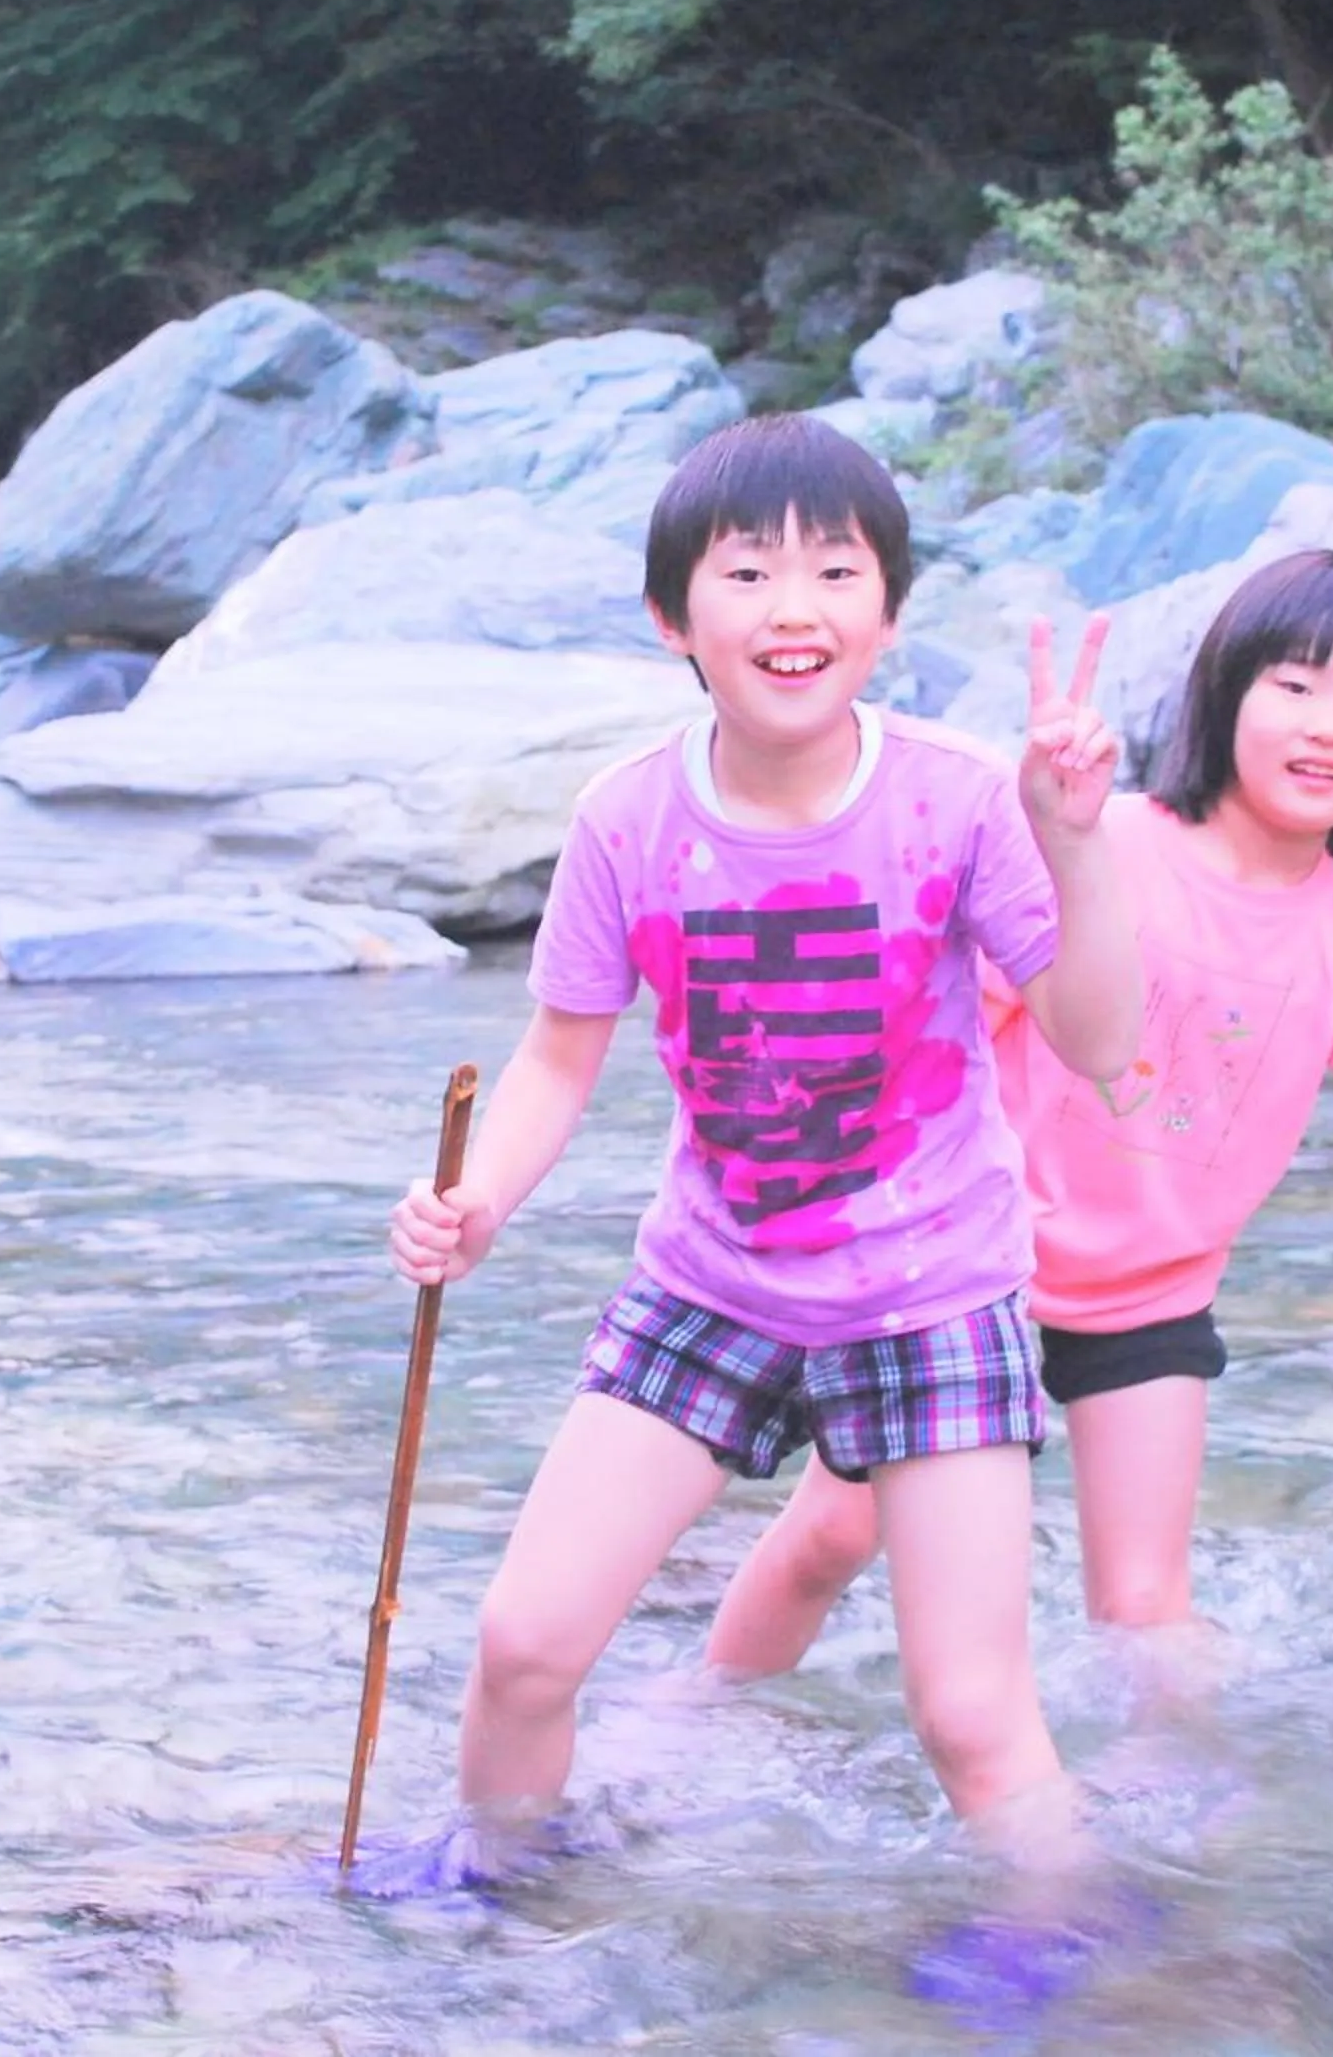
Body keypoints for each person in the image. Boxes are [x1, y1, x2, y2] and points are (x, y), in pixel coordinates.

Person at [382, 413, 1144, 1883]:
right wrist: (472, 1205)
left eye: (835, 572)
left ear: (889, 610)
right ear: (675, 615)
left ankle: (1080, 1962)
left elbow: (1102, 1043)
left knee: (972, 1714)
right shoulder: (627, 819)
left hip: (935, 1294)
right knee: (526, 1646)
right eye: (748, 574)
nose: (794, 609)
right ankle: (499, 1911)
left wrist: (1077, 839)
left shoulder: (958, 795)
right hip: (711, 1280)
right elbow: (556, 1057)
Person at [704, 546, 1333, 1681]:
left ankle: (1182, 1833)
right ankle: (707, 1706)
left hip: (1151, 1301)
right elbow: (931, 1034)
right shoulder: (1102, 842)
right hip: (971, 1273)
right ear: (1226, 694)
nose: (1332, 726)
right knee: (833, 1534)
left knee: (1148, 1607)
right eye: (1298, 686)